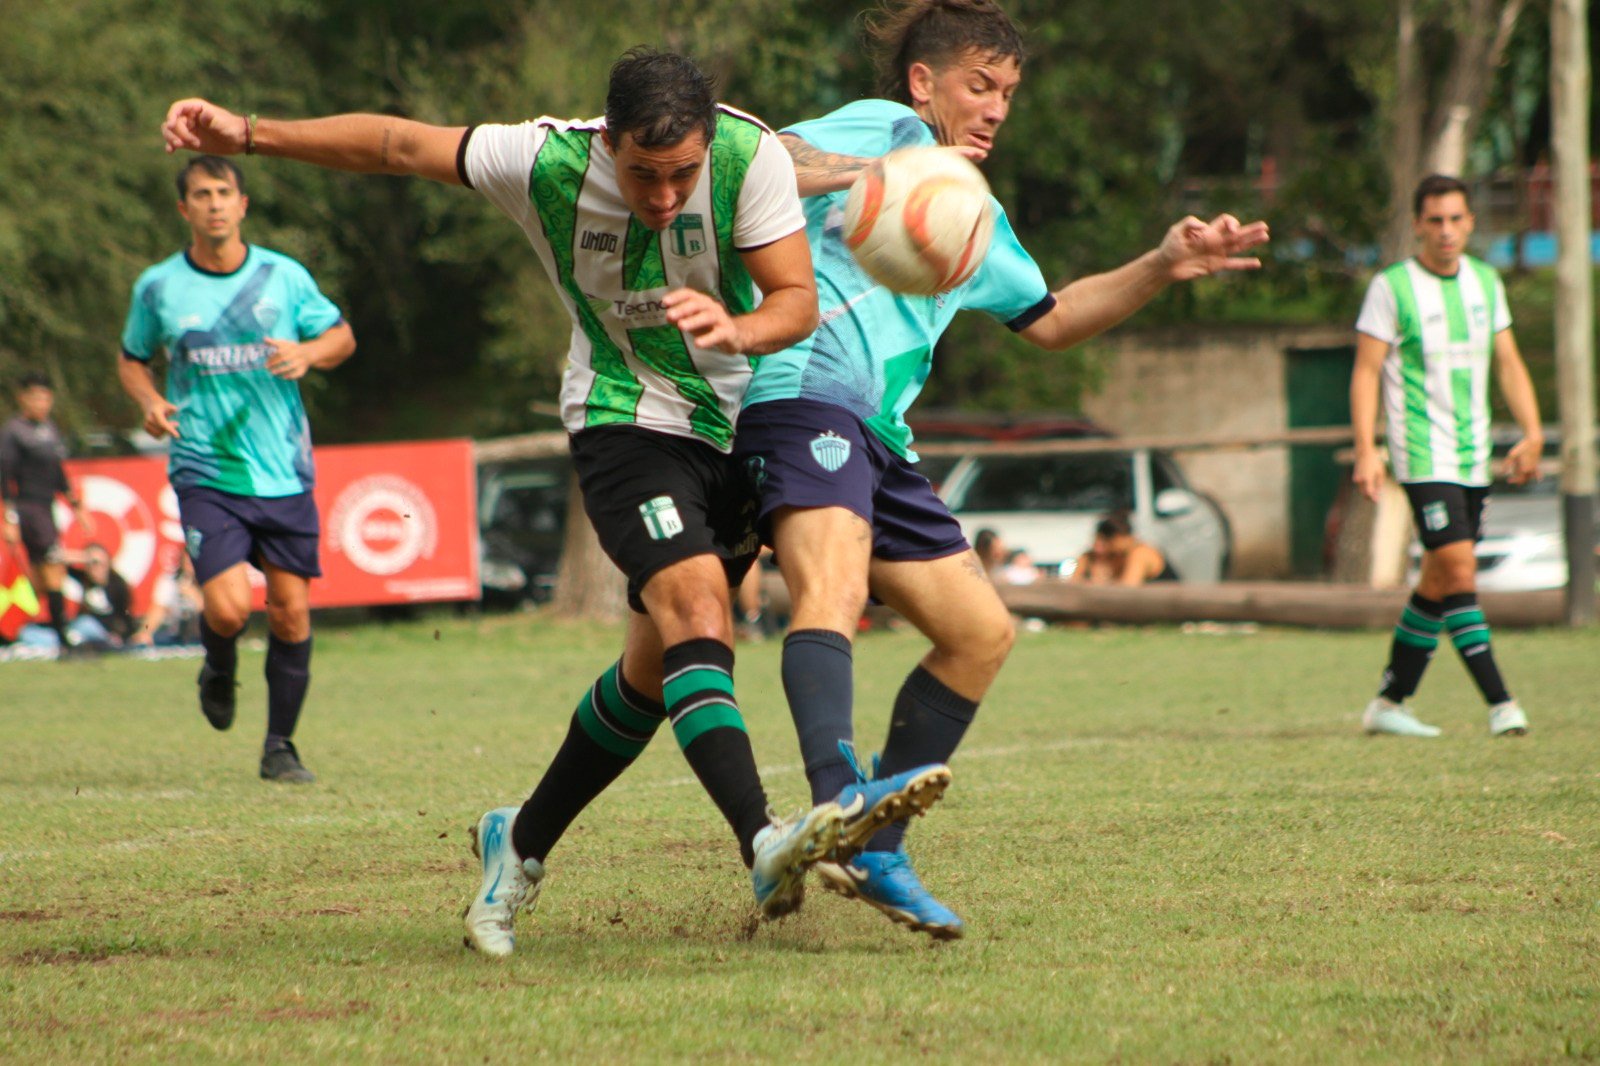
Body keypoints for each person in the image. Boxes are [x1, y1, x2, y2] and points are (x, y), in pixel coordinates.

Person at [159, 48, 949, 958]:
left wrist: (739, 328)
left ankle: (519, 840)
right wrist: (250, 135)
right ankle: (764, 840)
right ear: (607, 141)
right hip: (624, 420)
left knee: (654, 677)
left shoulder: (747, 156)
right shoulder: (544, 161)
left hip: (738, 429)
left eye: (680, 174)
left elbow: (796, 301)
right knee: (699, 609)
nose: (662, 197)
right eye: (643, 175)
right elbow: (394, 143)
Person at [731, 0, 1270, 938]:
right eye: (980, 86)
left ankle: (874, 848)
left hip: (883, 436)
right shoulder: (886, 129)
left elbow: (1051, 317)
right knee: (831, 585)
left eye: (1009, 93)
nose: (996, 109)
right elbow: (757, 156)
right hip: (797, 393)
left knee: (981, 633)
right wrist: (882, 177)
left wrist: (1162, 261)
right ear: (922, 82)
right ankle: (835, 801)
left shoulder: (966, 215)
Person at [117, 154, 357, 783]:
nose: (215, 203)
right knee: (225, 610)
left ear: (243, 204)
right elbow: (132, 358)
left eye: (225, 191)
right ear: (184, 208)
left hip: (283, 469)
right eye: (202, 193)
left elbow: (342, 337)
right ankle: (218, 663)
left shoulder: (284, 276)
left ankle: (280, 747)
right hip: (205, 466)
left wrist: (309, 352)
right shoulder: (159, 287)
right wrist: (148, 403)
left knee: (289, 612)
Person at [1351, 174, 1541, 739]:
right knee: (1459, 568)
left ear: (1471, 223)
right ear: (1416, 226)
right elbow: (1365, 372)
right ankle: (1502, 703)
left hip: (1472, 454)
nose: (1447, 231)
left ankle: (1389, 702)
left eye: (1457, 219)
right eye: (1435, 220)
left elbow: (1507, 361)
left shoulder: (1485, 283)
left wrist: (1531, 433)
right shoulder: (1393, 288)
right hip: (1421, 451)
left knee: (1439, 578)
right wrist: (1367, 448)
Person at [1, 374, 94, 652]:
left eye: (46, 398)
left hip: (46, 507)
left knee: (41, 577)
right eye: (37, 397)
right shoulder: (14, 432)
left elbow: (58, 473)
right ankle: (63, 637)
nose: (43, 403)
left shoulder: (50, 429)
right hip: (28, 508)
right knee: (53, 567)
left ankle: (17, 631)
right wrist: (9, 517)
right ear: (23, 398)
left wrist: (76, 507)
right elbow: (4, 476)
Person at [1069, 511, 1175, 586]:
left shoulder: (1140, 553)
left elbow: (1127, 590)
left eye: (1106, 542)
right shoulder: (1123, 556)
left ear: (1118, 537)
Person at [63, 543, 137, 648]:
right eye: (90, 564)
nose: (95, 568)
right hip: (86, 629)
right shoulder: (84, 578)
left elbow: (125, 614)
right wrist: (82, 557)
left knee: (84, 624)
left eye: (98, 563)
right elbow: (59, 560)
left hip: (107, 632)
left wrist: (122, 635)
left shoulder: (117, 584)